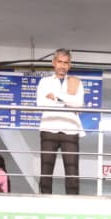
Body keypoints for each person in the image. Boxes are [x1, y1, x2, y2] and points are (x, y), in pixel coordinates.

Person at [36, 48, 83, 195]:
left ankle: (73, 204)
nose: (62, 66)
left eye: (66, 63)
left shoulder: (76, 82)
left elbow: (78, 104)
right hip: (48, 129)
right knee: (45, 172)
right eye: (60, 62)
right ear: (53, 62)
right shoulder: (44, 82)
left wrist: (56, 96)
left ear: (70, 65)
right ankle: (44, 202)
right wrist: (67, 100)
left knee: (72, 174)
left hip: (70, 130)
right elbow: (41, 103)